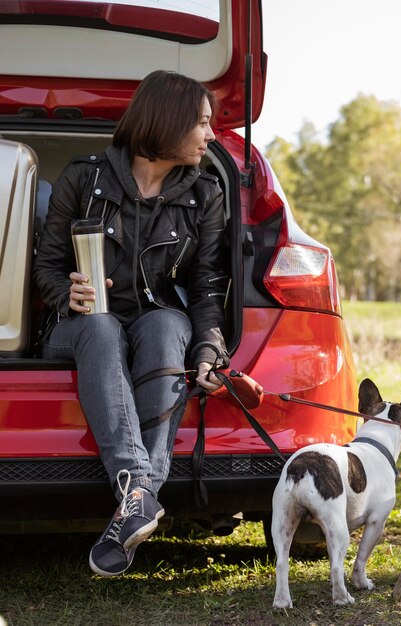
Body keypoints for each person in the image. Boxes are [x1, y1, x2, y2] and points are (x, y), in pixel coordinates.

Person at [32, 70, 230, 577]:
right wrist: (67, 291)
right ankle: (141, 488)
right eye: (203, 123)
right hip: (81, 327)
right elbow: (45, 268)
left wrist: (208, 350)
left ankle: (135, 498)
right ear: (168, 122)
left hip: (157, 327)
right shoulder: (83, 177)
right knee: (101, 327)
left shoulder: (206, 193)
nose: (211, 135)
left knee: (166, 325)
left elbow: (207, 285)